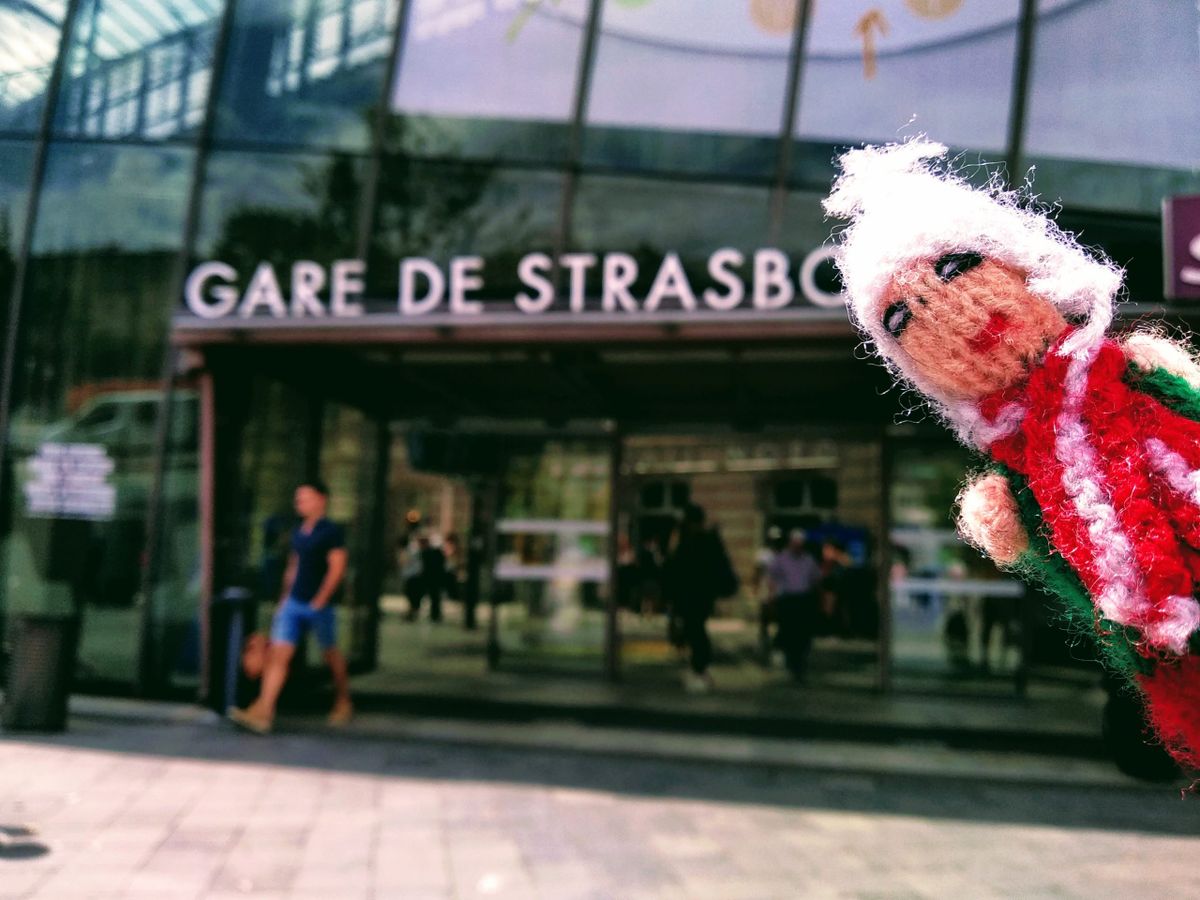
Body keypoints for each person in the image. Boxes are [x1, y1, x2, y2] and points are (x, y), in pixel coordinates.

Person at [230, 479, 353, 734]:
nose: (300, 503)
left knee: (330, 654)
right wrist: (284, 599)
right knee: (277, 656)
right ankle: (264, 711)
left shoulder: (331, 531)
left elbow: (337, 567)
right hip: (293, 604)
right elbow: (293, 567)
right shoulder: (299, 531)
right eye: (298, 499)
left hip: (319, 605)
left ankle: (343, 700)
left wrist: (321, 598)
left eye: (305, 498)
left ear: (321, 500)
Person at [663, 503, 733, 693]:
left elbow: (675, 568)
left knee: (694, 630)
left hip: (692, 595)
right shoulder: (704, 539)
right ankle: (699, 669)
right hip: (698, 595)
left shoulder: (692, 541)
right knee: (694, 629)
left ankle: (699, 670)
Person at [768, 529, 823, 681]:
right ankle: (791, 661)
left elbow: (816, 580)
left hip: (803, 600)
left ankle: (800, 661)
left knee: (803, 632)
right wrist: (772, 596)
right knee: (789, 630)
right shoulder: (781, 559)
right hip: (788, 599)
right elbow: (772, 579)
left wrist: (818, 600)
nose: (797, 547)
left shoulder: (808, 560)